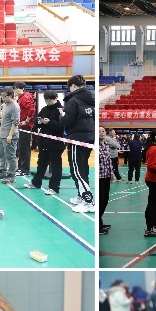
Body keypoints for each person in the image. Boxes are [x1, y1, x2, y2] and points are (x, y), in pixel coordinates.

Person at [62, 75, 94, 211]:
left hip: (77, 138)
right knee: (83, 168)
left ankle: (88, 202)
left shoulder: (73, 101)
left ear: (73, 86)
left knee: (77, 170)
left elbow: (67, 121)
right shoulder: (91, 99)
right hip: (89, 137)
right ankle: (81, 196)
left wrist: (61, 116)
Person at [22, 91, 64, 194]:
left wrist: (50, 122)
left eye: (49, 101)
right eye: (46, 101)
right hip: (44, 141)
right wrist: (39, 122)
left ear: (55, 98)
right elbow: (37, 122)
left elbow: (62, 126)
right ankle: (36, 183)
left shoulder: (61, 110)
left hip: (56, 142)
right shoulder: (44, 109)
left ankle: (54, 187)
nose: (48, 103)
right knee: (41, 163)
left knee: (56, 166)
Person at [0, 86, 19, 183]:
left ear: (11, 96)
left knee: (11, 156)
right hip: (3, 134)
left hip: (10, 135)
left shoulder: (14, 106)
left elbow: (15, 122)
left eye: (5, 96)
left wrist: (10, 135)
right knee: (2, 154)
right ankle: (3, 171)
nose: (3, 98)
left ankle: (12, 175)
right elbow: (4, 121)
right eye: (2, 96)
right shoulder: (5, 105)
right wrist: (0, 132)